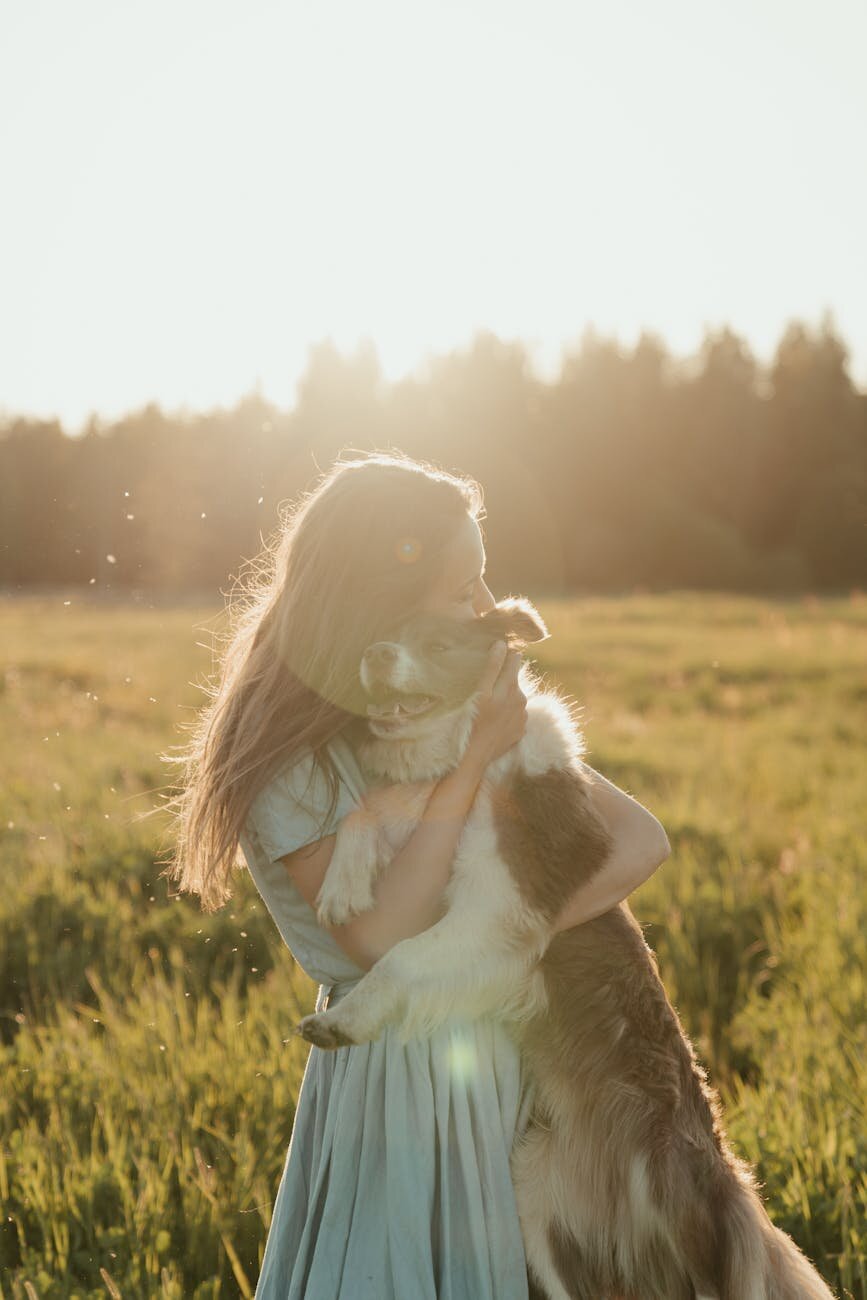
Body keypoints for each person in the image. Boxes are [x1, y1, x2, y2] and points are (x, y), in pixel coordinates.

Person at [164, 449, 671, 1299]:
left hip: (497, 1062)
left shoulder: (449, 707)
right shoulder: (290, 761)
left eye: (482, 583)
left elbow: (640, 840)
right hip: (393, 1090)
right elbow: (379, 940)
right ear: (381, 600)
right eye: (459, 589)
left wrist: (515, 934)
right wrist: (473, 761)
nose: (482, 609)